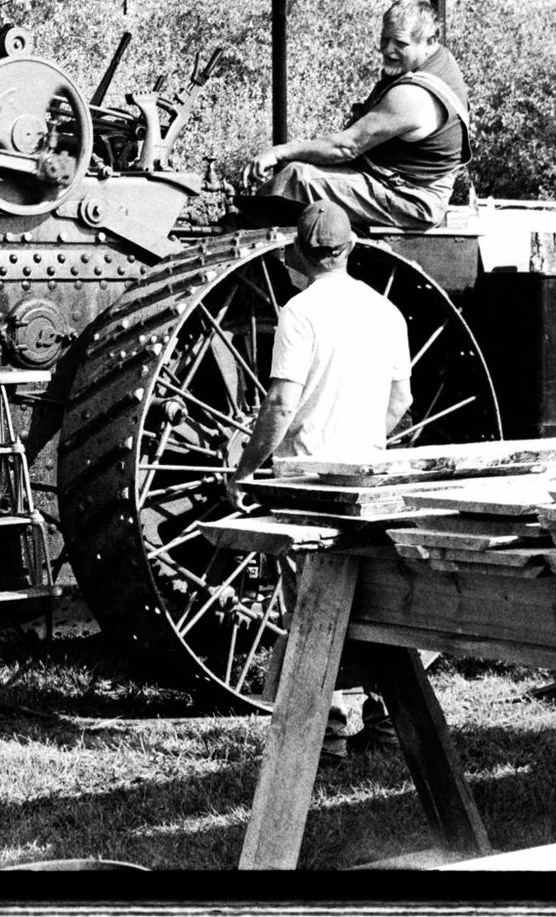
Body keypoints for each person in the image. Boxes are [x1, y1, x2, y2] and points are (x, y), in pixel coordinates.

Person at [236, 200, 413, 759]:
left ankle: (329, 732)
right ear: (351, 247)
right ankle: (386, 722)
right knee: (375, 604)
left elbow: (282, 402)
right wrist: (366, 438)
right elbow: (401, 399)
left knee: (311, 609)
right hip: (366, 478)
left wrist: (247, 468)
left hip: (309, 482)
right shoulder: (385, 312)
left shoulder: (299, 312)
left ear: (296, 256)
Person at [242, 0, 471, 231]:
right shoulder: (437, 60)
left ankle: (242, 241)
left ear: (430, 42)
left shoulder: (412, 96)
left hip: (412, 198)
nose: (387, 50)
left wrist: (279, 153)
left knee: (298, 179)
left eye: (400, 43)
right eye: (385, 39)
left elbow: (345, 147)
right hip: (395, 182)